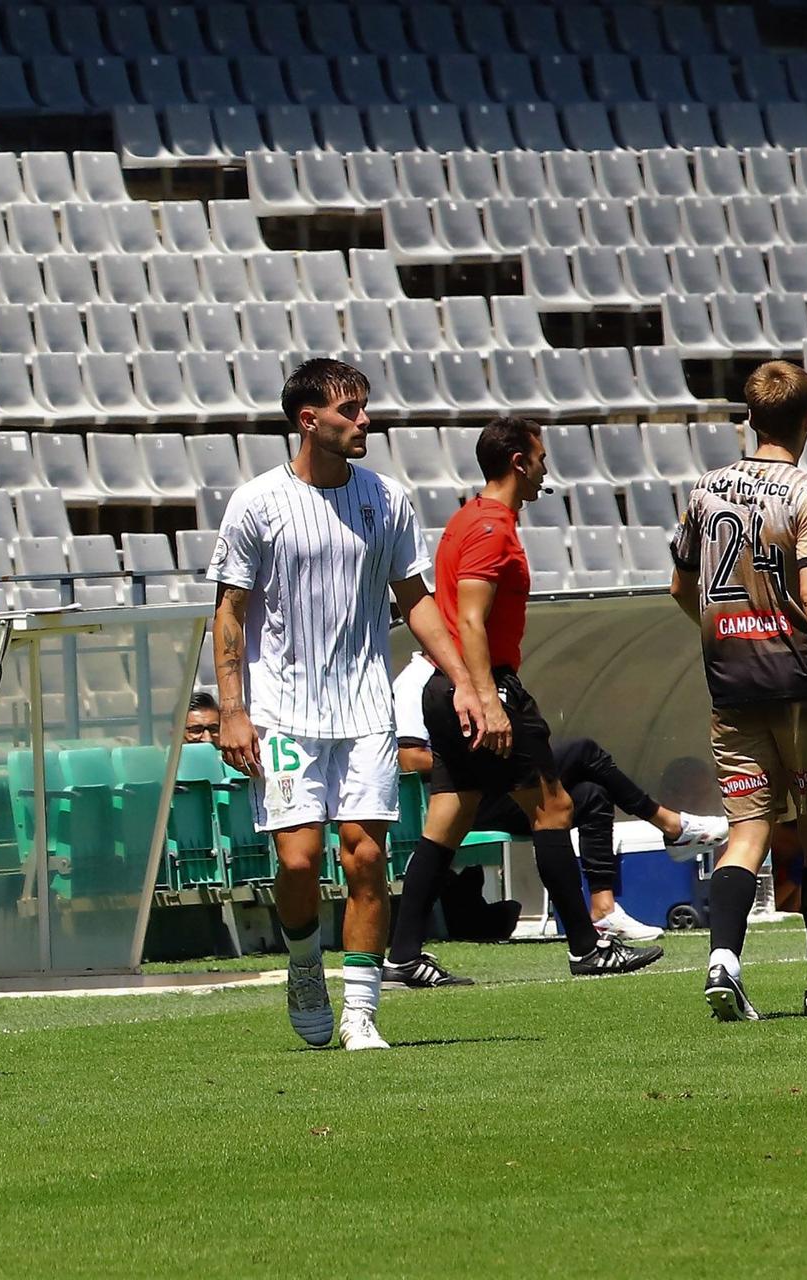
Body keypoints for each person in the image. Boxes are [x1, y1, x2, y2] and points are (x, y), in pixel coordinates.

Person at [209, 357, 495, 1052]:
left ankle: (361, 1010)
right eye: (350, 411)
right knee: (301, 860)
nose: (365, 421)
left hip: (365, 706)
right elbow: (230, 612)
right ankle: (306, 967)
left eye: (364, 407)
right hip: (280, 709)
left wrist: (462, 678)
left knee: (366, 858)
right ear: (309, 420)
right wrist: (232, 708)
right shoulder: (256, 502)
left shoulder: (386, 499)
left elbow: (415, 599)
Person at [397, 417, 665, 985]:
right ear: (519, 462)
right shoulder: (492, 527)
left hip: (444, 686)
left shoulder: (467, 518)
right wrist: (489, 699)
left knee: (451, 814)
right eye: (541, 458)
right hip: (481, 683)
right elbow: (470, 620)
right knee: (555, 808)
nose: (546, 469)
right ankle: (586, 947)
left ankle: (401, 952)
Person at [669, 361, 807, 1021]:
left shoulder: (706, 489)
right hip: (800, 686)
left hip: (731, 686)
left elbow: (681, 587)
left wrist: (729, 634)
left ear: (750, 418)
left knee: (746, 832)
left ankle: (723, 962)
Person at [389, 652, 727, 965]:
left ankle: (603, 909)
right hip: (476, 797)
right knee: (584, 751)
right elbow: (409, 757)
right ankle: (669, 824)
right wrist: (476, 760)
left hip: (499, 783)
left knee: (592, 794)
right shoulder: (417, 681)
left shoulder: (466, 670)